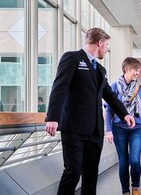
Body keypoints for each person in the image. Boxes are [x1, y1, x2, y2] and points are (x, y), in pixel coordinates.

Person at [44, 27, 135, 195]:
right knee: (73, 171)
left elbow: (108, 94)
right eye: (106, 45)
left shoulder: (100, 70)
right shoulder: (72, 58)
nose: (106, 50)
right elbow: (59, 87)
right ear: (100, 43)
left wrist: (124, 114)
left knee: (91, 173)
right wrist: (52, 117)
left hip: (95, 131)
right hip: (74, 128)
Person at [105, 57, 141, 195]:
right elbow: (108, 109)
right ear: (126, 69)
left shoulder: (140, 89)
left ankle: (135, 187)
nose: (138, 73)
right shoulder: (113, 87)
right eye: (135, 70)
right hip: (118, 128)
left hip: (137, 128)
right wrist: (108, 130)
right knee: (123, 161)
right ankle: (125, 191)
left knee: (135, 160)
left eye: (139, 70)